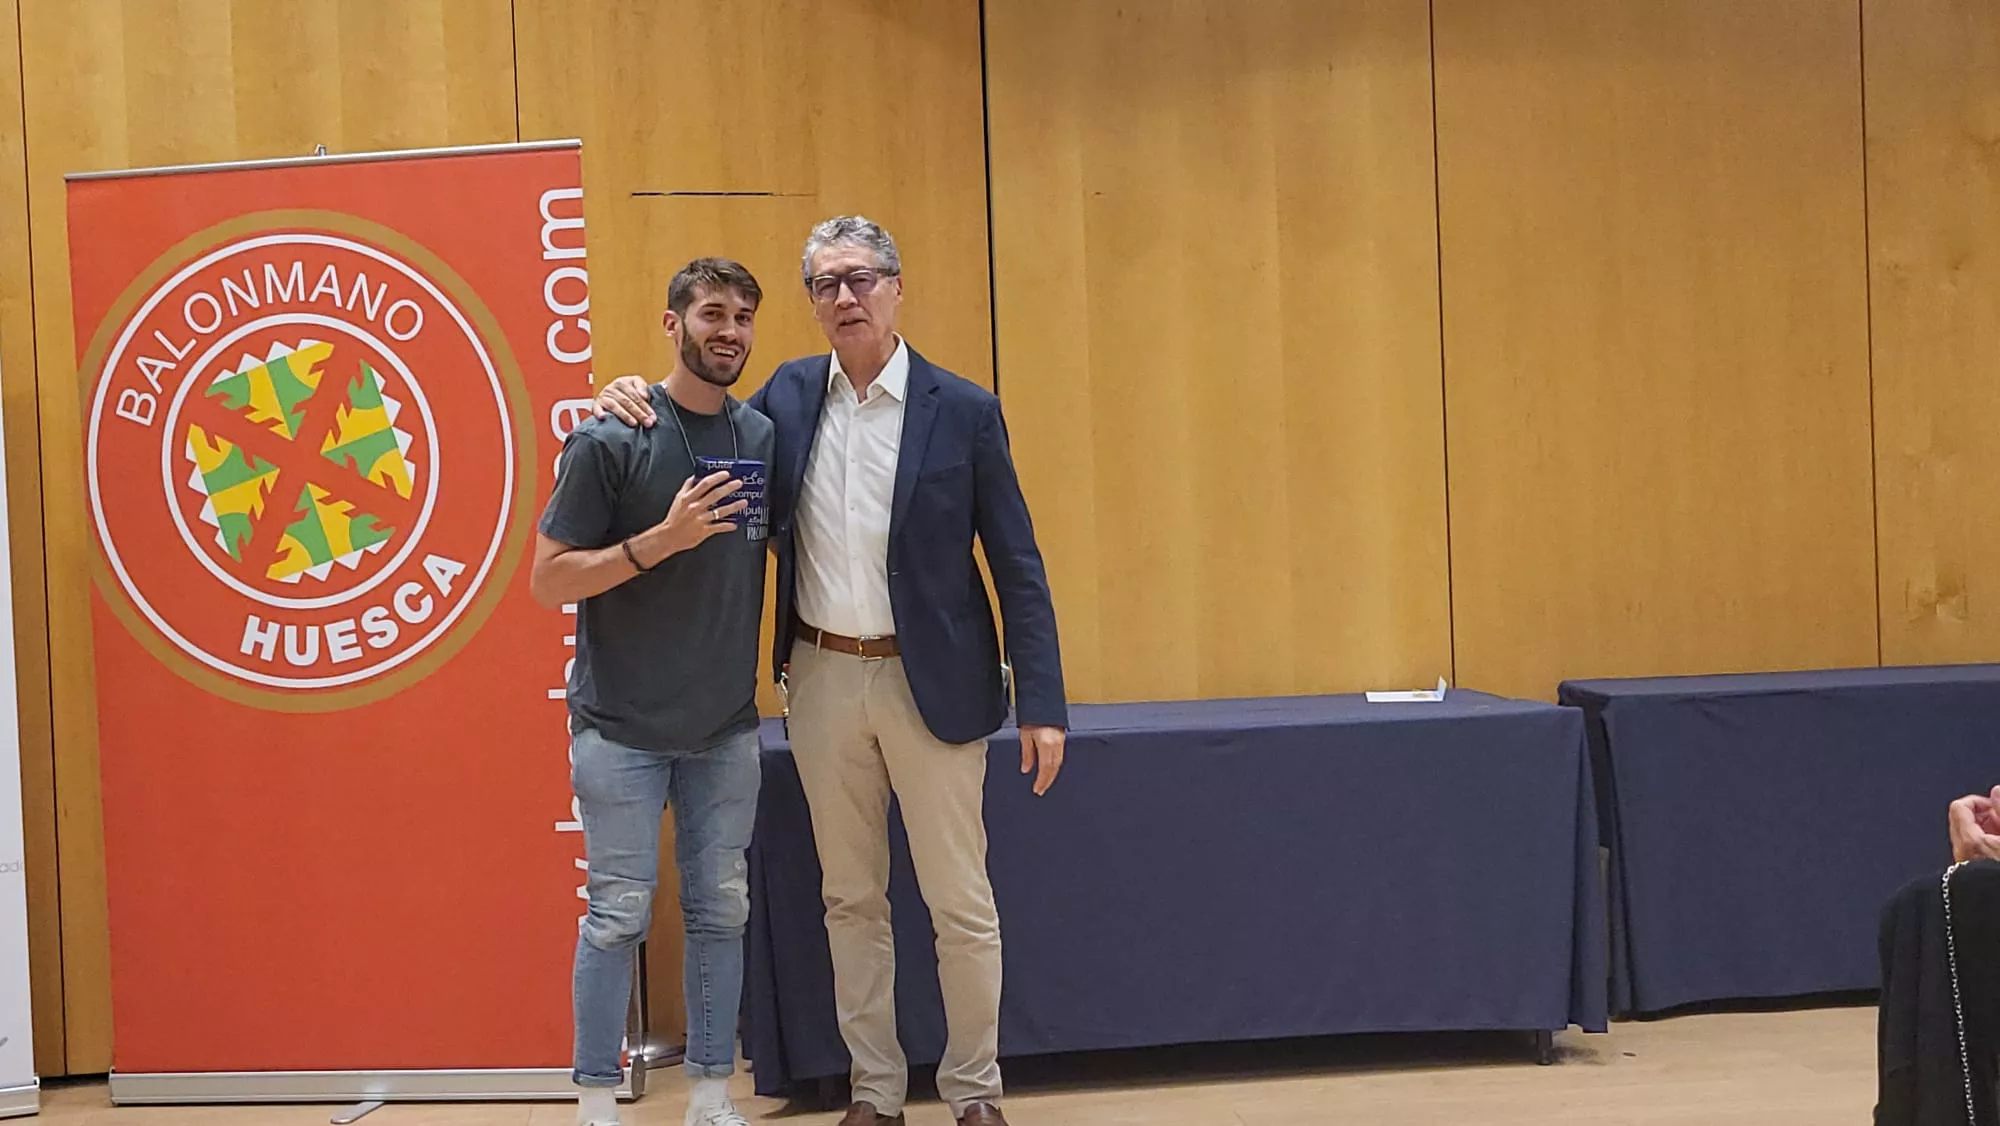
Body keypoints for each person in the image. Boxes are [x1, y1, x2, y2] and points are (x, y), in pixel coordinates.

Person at [595, 216, 1068, 1126]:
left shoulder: (962, 409)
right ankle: (874, 1093)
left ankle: (974, 1091)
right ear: (811, 303)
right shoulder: (787, 396)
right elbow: (699, 428)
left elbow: (1018, 562)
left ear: (897, 288)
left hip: (933, 687)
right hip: (821, 678)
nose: (846, 297)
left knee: (959, 903)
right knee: (850, 901)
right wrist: (628, 393)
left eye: (862, 279)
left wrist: (1042, 701)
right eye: (826, 285)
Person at [533, 258, 775, 1126]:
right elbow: (549, 580)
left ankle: (710, 1096)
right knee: (616, 916)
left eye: (742, 316)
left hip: (725, 729)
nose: (729, 331)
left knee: (722, 912)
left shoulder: (761, 435)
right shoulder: (610, 437)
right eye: (712, 313)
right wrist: (659, 542)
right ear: (673, 324)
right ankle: (597, 1102)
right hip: (621, 729)